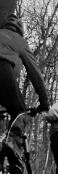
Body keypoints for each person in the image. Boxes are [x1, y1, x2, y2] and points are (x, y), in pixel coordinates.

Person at [0, 14, 50, 156]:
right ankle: (12, 145)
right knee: (19, 111)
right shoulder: (18, 40)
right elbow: (35, 73)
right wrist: (44, 102)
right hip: (2, 71)